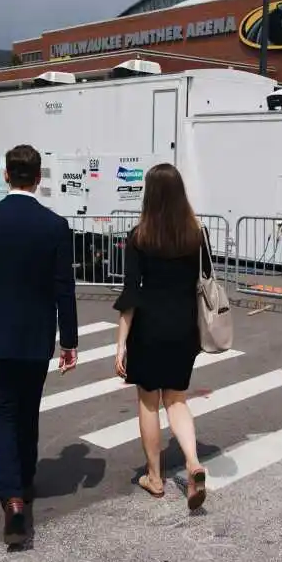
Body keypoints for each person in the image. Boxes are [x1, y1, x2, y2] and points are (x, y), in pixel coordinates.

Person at [0, 144, 79, 545]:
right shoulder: (55, 226)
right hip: (36, 334)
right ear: (38, 178)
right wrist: (70, 340)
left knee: (2, 412)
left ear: (6, 176)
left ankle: (11, 496)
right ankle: (25, 482)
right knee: (28, 411)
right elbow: (65, 289)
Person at [113, 163, 209, 510]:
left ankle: (154, 477)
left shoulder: (139, 236)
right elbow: (206, 280)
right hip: (185, 326)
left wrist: (121, 342)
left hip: (149, 327)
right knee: (178, 399)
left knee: (149, 401)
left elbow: (130, 295)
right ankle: (193, 463)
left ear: (149, 195)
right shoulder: (196, 234)